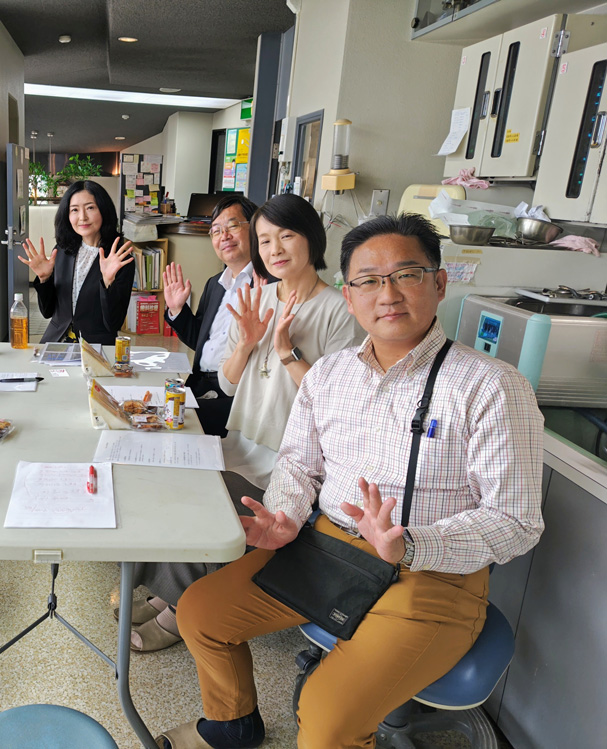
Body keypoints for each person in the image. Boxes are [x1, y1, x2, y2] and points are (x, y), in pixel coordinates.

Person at [155, 213, 545, 749]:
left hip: (433, 576)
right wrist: (287, 515)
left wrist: (411, 544)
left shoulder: (493, 386)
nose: (388, 294)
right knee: (201, 611)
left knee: (326, 718)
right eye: (368, 280)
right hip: (329, 549)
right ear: (349, 294)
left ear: (439, 282)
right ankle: (232, 724)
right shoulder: (329, 374)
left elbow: (516, 522)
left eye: (406, 274)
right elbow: (299, 465)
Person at [128, 195, 363, 653]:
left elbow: (335, 404)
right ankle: (169, 594)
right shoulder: (257, 297)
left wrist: (286, 352)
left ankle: (178, 610)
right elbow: (228, 384)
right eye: (265, 240)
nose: (275, 249)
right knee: (171, 480)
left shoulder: (338, 311)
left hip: (285, 459)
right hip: (241, 439)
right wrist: (247, 343)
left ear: (312, 239)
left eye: (286, 236)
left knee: (208, 498)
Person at [161, 194, 259, 437]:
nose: (224, 236)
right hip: (200, 385)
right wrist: (177, 310)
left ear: (255, 228)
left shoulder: (267, 285)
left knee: (165, 423)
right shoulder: (215, 284)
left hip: (236, 396)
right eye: (216, 231)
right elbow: (200, 340)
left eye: (232, 226)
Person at [18, 180, 136, 345]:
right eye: (74, 210)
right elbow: (47, 312)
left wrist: (107, 283)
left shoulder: (119, 258)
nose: (82, 217)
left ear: (104, 210)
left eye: (90, 208)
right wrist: (45, 279)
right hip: (57, 342)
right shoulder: (62, 250)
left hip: (96, 346)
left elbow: (113, 323)